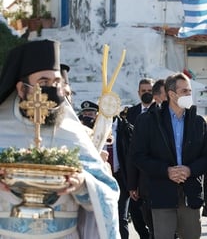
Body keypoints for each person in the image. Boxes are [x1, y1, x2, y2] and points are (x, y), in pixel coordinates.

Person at [0, 39, 119, 238]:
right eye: (43, 83)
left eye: (56, 83)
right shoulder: (2, 128)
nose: (51, 90)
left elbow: (106, 193)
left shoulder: (72, 133)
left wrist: (82, 184)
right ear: (22, 89)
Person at [131, 72, 207, 239]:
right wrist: (166, 171)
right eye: (184, 91)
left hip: (190, 194)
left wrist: (190, 170)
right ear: (171, 94)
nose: (189, 95)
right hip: (161, 193)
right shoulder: (149, 121)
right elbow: (138, 156)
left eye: (190, 91)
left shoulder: (199, 123)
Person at [126, 78, 155, 239]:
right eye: (143, 91)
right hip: (136, 172)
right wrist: (132, 183)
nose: (146, 94)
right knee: (137, 217)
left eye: (149, 91)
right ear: (138, 93)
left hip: (156, 173)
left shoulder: (162, 112)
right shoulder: (131, 113)